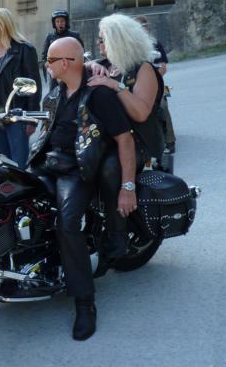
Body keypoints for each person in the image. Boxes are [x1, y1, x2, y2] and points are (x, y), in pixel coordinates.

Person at [28, 37, 137, 341]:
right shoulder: (56, 93)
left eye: (50, 60)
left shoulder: (98, 95)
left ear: (65, 63)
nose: (46, 66)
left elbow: (125, 139)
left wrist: (127, 187)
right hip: (45, 163)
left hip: (75, 169)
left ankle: (85, 302)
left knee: (67, 223)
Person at [87, 13, 165, 256]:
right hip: (109, 137)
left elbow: (141, 113)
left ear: (118, 41)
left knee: (111, 168)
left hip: (140, 142)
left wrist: (116, 86)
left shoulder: (143, 69)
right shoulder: (106, 65)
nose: (99, 44)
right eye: (99, 39)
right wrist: (89, 65)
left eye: (103, 40)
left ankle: (117, 233)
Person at [0, 7, 41, 168]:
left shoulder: (24, 50)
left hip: (16, 116)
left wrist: (32, 119)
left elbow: (34, 85)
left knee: (18, 166)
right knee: (0, 165)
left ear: (3, 25)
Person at [135, 15, 176, 153]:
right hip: (135, 84)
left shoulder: (155, 44)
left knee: (162, 106)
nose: (141, 30)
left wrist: (149, 79)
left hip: (155, 83)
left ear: (147, 28)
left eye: (143, 27)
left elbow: (163, 68)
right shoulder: (131, 47)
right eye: (137, 28)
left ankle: (170, 141)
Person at [41, 10, 84, 85]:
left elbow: (81, 53)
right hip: (55, 73)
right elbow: (44, 56)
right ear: (54, 23)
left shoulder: (75, 36)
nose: (60, 23)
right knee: (54, 91)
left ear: (66, 22)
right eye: (57, 21)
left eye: (62, 21)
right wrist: (48, 65)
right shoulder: (50, 37)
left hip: (71, 72)